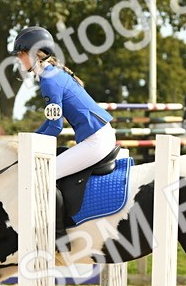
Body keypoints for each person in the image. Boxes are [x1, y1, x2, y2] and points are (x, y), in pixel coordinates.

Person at [14, 26, 116, 179]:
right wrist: (31, 137)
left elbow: (56, 127)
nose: (18, 59)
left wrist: (31, 146)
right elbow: (51, 122)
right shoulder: (52, 74)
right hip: (99, 134)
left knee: (43, 174)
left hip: (96, 140)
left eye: (20, 54)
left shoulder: (49, 82)